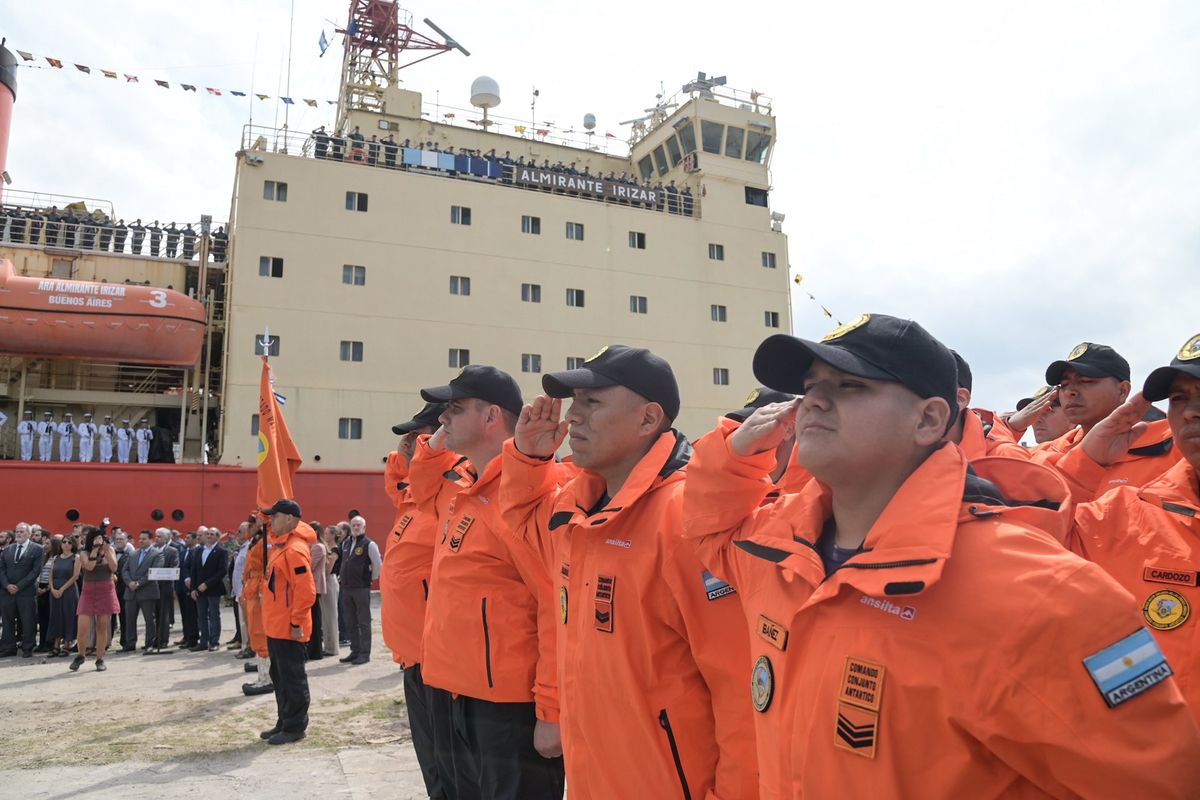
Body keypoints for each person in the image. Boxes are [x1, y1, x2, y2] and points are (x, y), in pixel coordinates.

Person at [681, 314, 1200, 797]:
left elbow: (1158, 782)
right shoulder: (778, 548)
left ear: (930, 419)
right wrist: (732, 457)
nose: (813, 402)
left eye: (850, 385)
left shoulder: (1040, 594)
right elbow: (711, 534)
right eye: (812, 387)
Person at [503, 345, 759, 799]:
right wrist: (529, 460)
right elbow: (523, 531)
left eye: (592, 402)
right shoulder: (576, 510)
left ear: (648, 419)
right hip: (594, 779)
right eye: (575, 403)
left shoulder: (688, 517)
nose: (573, 418)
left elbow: (744, 691)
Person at [409, 365, 566, 799]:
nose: (441, 418)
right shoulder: (462, 487)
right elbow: (417, 488)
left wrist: (551, 708)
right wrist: (440, 440)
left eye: (454, 410)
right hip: (451, 690)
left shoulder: (524, 496)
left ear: (491, 416)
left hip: (506, 707)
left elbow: (557, 603)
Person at [1052, 333, 1200, 721]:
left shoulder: (1157, 452)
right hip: (1159, 765)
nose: (1190, 412)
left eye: (1086, 382)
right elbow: (1015, 545)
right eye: (1180, 398)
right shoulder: (1129, 515)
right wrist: (1083, 464)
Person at [1008, 342, 1179, 496]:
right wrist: (1010, 428)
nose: (1070, 391)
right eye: (1064, 385)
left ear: (1122, 391)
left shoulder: (1174, 446)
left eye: (1086, 381)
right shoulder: (1044, 454)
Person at [382, 401, 447, 799]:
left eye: (417, 434)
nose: (407, 442)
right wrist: (406, 458)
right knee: (431, 759)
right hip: (412, 657)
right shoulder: (411, 503)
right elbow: (399, 488)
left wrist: (423, 459)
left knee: (449, 762)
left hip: (438, 659)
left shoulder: (443, 500)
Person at [257, 499, 318, 745]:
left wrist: (296, 623)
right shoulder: (282, 546)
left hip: (289, 628)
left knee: (292, 678)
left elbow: (306, 592)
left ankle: (295, 726)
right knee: (280, 676)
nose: (272, 520)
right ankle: (284, 720)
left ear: (290, 519)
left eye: (276, 516)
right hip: (277, 626)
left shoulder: (294, 550)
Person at [71, 524, 120, 672]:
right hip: (89, 590)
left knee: (102, 627)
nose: (99, 540)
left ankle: (100, 658)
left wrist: (106, 552)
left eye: (101, 537)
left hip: (106, 590)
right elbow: (89, 567)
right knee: (82, 628)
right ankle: (81, 654)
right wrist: (94, 551)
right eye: (96, 537)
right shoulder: (84, 552)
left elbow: (114, 568)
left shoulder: (109, 549)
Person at [337, 515, 380, 665]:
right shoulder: (345, 543)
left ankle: (364, 653)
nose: (355, 528)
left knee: (363, 622)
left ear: (364, 527)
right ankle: (355, 650)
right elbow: (344, 562)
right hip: (346, 588)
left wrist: (369, 579)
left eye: (358, 525)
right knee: (350, 621)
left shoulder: (369, 544)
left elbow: (377, 564)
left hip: (361, 587)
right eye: (353, 525)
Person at [0, 523, 46, 657]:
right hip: (7, 591)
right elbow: (1, 569)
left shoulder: (37, 549)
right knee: (7, 620)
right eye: (17, 531)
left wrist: (19, 586)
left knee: (28, 620)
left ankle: (28, 647)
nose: (18, 534)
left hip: (26, 592)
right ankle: (9, 647)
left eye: (21, 531)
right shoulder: (8, 549)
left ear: (29, 534)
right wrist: (7, 585)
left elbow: (35, 571)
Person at [242, 517, 274, 693]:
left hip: (258, 591)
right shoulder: (258, 542)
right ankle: (263, 674)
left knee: (261, 634)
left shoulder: (266, 543)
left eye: (252, 523)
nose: (249, 527)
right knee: (255, 632)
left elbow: (268, 569)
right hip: (252, 590)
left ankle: (267, 679)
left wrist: (263, 592)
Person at [121, 530, 163, 652]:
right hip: (131, 592)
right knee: (129, 619)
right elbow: (125, 570)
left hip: (147, 592)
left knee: (149, 620)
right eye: (140, 538)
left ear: (151, 540)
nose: (141, 541)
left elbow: (154, 572)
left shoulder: (157, 554)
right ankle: (130, 643)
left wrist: (139, 583)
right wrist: (129, 583)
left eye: (144, 539)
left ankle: (149, 643)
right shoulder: (133, 553)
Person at [188, 527, 228, 651]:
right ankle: (203, 641)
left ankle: (214, 641)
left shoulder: (221, 551)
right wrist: (193, 588)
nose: (209, 536)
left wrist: (207, 584)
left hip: (213, 588)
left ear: (218, 536)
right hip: (199, 590)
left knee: (214, 615)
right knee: (201, 616)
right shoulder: (199, 551)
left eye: (212, 534)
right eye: (208, 534)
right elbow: (194, 570)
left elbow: (222, 571)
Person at [47, 534, 81, 657]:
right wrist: (52, 588)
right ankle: (56, 644)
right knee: (55, 616)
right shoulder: (56, 558)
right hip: (54, 590)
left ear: (73, 545)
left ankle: (67, 644)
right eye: (64, 542)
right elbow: (50, 575)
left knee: (68, 615)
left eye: (69, 542)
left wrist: (62, 589)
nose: (66, 544)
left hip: (69, 590)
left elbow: (75, 576)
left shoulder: (76, 558)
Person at [150, 528, 178, 655]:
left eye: (160, 536)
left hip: (165, 587)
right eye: (156, 536)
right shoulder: (152, 550)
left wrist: (161, 575)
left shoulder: (172, 551)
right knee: (154, 614)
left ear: (167, 538)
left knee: (164, 615)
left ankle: (163, 640)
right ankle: (155, 638)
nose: (157, 538)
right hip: (153, 587)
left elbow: (174, 568)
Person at [176, 531, 200, 648]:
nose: (186, 539)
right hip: (181, 586)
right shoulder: (183, 552)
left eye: (188, 537)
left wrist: (190, 580)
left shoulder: (197, 551)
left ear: (195, 539)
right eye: (185, 537)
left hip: (192, 586)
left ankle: (193, 638)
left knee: (192, 615)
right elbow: (181, 567)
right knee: (185, 614)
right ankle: (186, 636)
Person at [318, 526, 340, 657]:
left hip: (330, 580)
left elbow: (328, 569)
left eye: (327, 533)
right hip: (326, 581)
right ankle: (327, 645)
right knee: (325, 616)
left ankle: (332, 647)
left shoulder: (335, 550)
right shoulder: (328, 549)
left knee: (331, 616)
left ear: (333, 535)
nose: (324, 535)